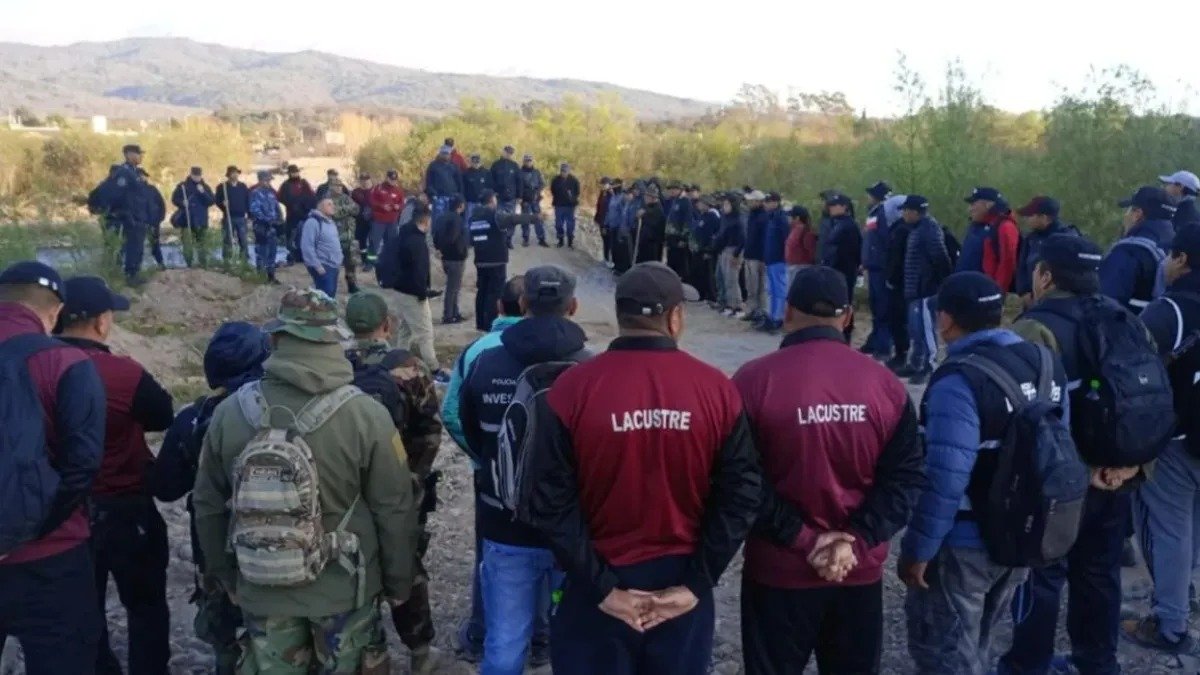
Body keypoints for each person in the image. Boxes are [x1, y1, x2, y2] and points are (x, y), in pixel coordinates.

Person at [523, 262, 760, 675]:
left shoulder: (571, 389)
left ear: (620, 316)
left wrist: (603, 590)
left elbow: (548, 501)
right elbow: (741, 495)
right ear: (674, 317)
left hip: (596, 583)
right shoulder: (717, 390)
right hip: (679, 587)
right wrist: (696, 585)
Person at [192, 288, 421, 674]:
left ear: (276, 339)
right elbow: (394, 508)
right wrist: (399, 584)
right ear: (334, 338)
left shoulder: (231, 412)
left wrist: (226, 577)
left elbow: (207, 505)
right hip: (345, 590)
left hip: (261, 587)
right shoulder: (366, 415)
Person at [735, 265, 922, 675]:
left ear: (787, 312)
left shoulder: (752, 382)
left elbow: (741, 484)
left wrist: (804, 541)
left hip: (778, 574)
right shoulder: (885, 385)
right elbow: (906, 480)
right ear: (847, 317)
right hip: (857, 571)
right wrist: (854, 542)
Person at [1000, 235, 1157, 675]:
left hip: (1058, 482)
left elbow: (1022, 410)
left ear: (1045, 275)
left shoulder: (1036, 327)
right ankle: (1097, 662)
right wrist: (1131, 465)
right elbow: (1151, 400)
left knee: (1043, 574)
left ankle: (1027, 664)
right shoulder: (1128, 319)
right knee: (1099, 573)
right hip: (1118, 475)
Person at [902, 271, 1069, 675]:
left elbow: (945, 476)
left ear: (945, 320)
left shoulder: (958, 380)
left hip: (965, 543)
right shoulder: (1046, 362)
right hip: (1025, 534)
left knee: (945, 652)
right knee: (982, 638)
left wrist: (918, 550)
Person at [457, 265, 589, 675]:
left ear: (523, 304)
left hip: (503, 524)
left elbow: (471, 431)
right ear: (573, 306)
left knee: (504, 643)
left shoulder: (486, 361)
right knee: (578, 645)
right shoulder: (591, 370)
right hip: (573, 533)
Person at [53, 276, 175, 675]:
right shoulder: (122, 373)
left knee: (80, 611)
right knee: (146, 608)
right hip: (126, 504)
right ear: (101, 323)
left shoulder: (35, 366)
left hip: (61, 514)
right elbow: (162, 414)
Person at [0, 262, 106, 675]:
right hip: (51, 557)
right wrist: (30, 531)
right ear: (55, 311)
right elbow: (83, 465)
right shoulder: (65, 362)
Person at [151, 321, 270, 675]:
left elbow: (166, 486)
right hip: (279, 540)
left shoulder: (195, 417)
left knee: (226, 637)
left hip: (215, 542)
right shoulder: (279, 408)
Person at [343, 293, 444, 674]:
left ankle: (362, 643)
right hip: (398, 486)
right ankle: (419, 649)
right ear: (387, 324)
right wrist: (412, 478)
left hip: (346, 487)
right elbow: (430, 429)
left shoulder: (336, 364)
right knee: (405, 563)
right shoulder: (407, 366)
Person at [441, 276, 533, 664]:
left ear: (499, 308)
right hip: (547, 482)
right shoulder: (558, 349)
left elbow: (450, 412)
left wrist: (482, 455)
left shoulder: (479, 350)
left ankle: (482, 630)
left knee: (492, 555)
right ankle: (542, 635)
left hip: (491, 480)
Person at [1123, 224, 1200, 654]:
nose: (1166, 263)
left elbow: (1126, 363)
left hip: (1175, 440)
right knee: (1191, 523)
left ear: (1183, 260)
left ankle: (1169, 625)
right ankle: (1181, 594)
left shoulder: (1170, 310)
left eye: (1171, 256)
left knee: (1164, 527)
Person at [381, 207, 446, 380]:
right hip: (412, 292)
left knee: (406, 328)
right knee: (425, 333)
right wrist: (423, 293)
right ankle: (434, 369)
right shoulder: (417, 242)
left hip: (399, 290)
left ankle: (398, 359)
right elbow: (419, 271)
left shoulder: (402, 235)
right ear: (424, 221)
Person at [896, 195, 952, 384]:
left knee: (927, 330)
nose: (903, 214)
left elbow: (940, 257)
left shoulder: (929, 229)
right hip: (914, 290)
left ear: (914, 212)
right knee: (916, 330)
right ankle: (916, 362)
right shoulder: (916, 229)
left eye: (905, 210)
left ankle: (930, 366)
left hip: (926, 289)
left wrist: (938, 283)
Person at [469, 189, 541, 331]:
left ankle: (480, 323)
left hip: (480, 259)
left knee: (482, 291)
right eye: (494, 199)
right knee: (494, 293)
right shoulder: (495, 215)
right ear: (491, 200)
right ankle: (490, 325)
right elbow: (513, 219)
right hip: (496, 260)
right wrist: (535, 218)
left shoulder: (473, 216)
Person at [1100, 185, 1177, 315]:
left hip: (1129, 330)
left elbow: (1105, 303)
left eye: (1129, 210)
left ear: (1137, 214)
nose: (1126, 216)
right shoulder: (1180, 248)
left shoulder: (1128, 252)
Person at [89, 145, 151, 285]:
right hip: (128, 217)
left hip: (137, 216)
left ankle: (133, 273)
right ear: (129, 155)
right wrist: (122, 212)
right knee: (128, 247)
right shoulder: (123, 173)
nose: (141, 156)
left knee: (136, 247)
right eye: (138, 154)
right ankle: (128, 275)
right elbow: (116, 195)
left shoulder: (134, 172)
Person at [1014, 196, 1079, 307]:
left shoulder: (1068, 238)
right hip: (1031, 299)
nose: (1027, 219)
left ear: (1044, 218)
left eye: (1031, 216)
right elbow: (1022, 267)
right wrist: (1024, 292)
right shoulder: (1031, 238)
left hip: (1058, 300)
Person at [957, 187, 1020, 294]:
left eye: (973, 204)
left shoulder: (1004, 227)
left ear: (988, 205)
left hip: (984, 293)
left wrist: (996, 292)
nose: (970, 209)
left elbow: (1007, 263)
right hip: (967, 291)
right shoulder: (975, 227)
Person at [821, 193, 863, 342]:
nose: (831, 208)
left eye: (834, 205)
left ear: (844, 207)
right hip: (835, 270)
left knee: (843, 305)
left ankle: (845, 335)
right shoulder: (837, 224)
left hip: (844, 271)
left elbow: (855, 251)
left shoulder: (849, 225)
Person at [862, 181, 896, 358]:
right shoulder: (873, 213)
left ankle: (884, 346)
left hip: (881, 268)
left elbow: (884, 241)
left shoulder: (884, 213)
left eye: (870, 195)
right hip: (873, 266)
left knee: (883, 308)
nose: (867, 198)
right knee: (875, 307)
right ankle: (875, 341)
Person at [885, 200, 916, 373]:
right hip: (902, 281)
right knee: (898, 319)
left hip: (901, 282)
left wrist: (892, 278)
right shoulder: (900, 228)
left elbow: (897, 258)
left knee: (899, 320)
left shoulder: (902, 230)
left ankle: (902, 355)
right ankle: (901, 353)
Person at [171, 167, 215, 268]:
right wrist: (182, 202)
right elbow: (174, 199)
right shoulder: (182, 186)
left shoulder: (205, 187)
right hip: (187, 220)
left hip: (201, 220)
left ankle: (203, 265)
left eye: (199, 175)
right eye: (195, 175)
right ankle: (189, 264)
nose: (197, 177)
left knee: (202, 244)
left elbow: (211, 201)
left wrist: (203, 192)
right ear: (191, 174)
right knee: (187, 244)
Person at [434, 196, 469, 324]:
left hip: (445, 257)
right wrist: (462, 250)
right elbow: (454, 237)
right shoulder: (457, 219)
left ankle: (455, 312)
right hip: (456, 257)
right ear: (460, 206)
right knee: (453, 288)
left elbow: (436, 235)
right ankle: (448, 315)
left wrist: (439, 249)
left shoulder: (441, 218)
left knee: (454, 286)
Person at [301, 197, 344, 297]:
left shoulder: (330, 222)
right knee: (324, 297)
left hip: (333, 266)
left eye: (333, 204)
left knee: (330, 296)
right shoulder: (312, 222)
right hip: (323, 265)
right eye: (329, 204)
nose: (333, 206)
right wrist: (317, 266)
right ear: (320, 206)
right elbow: (307, 246)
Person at [760, 192, 790, 334]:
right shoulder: (771, 218)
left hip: (778, 259)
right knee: (771, 290)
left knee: (780, 290)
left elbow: (785, 240)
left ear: (776, 202)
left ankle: (779, 318)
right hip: (770, 259)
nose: (765, 204)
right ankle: (772, 317)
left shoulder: (781, 219)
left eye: (768, 201)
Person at [327, 180, 362, 294]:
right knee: (333, 264)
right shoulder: (327, 199)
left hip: (349, 236)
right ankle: (330, 286)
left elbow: (356, 209)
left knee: (351, 263)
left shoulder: (346, 197)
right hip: (336, 237)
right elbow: (334, 213)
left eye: (340, 186)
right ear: (331, 187)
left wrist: (344, 209)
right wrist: (347, 209)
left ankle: (352, 285)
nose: (339, 188)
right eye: (336, 186)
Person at [277, 164, 316, 265]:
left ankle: (302, 256)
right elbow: (280, 197)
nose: (294, 174)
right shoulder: (285, 185)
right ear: (289, 173)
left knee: (304, 236)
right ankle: (292, 256)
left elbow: (312, 196)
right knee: (290, 237)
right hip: (291, 214)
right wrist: (291, 204)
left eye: (296, 172)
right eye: (292, 172)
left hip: (304, 214)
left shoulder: (304, 183)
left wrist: (305, 206)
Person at [715, 193, 746, 317]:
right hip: (724, 249)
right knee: (723, 278)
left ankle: (737, 307)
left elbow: (743, 239)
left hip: (734, 250)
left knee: (732, 279)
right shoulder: (725, 218)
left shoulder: (738, 219)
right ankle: (728, 304)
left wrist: (736, 254)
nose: (724, 206)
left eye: (727, 204)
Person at [249, 171, 283, 284]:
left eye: (269, 180)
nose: (268, 182)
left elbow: (277, 207)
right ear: (261, 180)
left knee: (272, 251)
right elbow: (255, 210)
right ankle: (261, 276)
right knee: (262, 251)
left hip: (272, 227)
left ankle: (271, 276)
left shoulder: (271, 193)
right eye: (267, 180)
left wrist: (279, 219)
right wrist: (266, 220)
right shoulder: (255, 193)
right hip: (261, 226)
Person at [367, 169, 406, 265]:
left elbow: (402, 203)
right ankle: (370, 262)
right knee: (374, 242)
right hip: (379, 221)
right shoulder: (378, 188)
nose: (393, 181)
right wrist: (381, 206)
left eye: (395, 180)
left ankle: (389, 260)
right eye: (391, 179)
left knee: (392, 242)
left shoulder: (398, 190)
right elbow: (371, 201)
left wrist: (398, 207)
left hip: (392, 221)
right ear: (387, 178)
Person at [742, 190, 769, 325]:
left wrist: (764, 257)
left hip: (759, 257)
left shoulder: (763, 217)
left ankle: (761, 312)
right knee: (751, 286)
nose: (749, 203)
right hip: (750, 255)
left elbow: (764, 239)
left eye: (752, 201)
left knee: (760, 287)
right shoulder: (751, 216)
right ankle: (752, 310)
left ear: (759, 201)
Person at [214, 165, 251, 263]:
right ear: (228, 175)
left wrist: (249, 215)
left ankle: (244, 260)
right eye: (233, 173)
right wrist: (223, 204)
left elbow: (247, 201)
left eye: (236, 173)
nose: (235, 175)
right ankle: (227, 260)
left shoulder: (243, 186)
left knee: (243, 240)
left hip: (241, 218)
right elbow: (217, 200)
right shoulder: (222, 187)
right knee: (228, 240)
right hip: (228, 217)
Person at [690, 193, 721, 302]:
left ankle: (711, 296)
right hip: (698, 249)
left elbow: (713, 235)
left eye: (701, 203)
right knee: (699, 273)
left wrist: (709, 249)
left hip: (706, 250)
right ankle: (701, 294)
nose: (698, 205)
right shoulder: (702, 215)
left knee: (708, 274)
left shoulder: (713, 217)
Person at [136, 168, 167, 271]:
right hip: (138, 222)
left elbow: (161, 204)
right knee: (137, 246)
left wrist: (160, 218)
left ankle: (161, 264)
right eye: (141, 175)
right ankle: (137, 268)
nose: (143, 177)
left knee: (155, 244)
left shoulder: (152, 189)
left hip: (153, 221)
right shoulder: (133, 190)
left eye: (144, 176)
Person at [664, 181, 694, 280]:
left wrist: (684, 238)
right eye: (671, 189)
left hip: (679, 237)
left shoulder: (685, 201)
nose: (672, 191)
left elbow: (687, 221)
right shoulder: (675, 200)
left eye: (674, 189)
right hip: (671, 236)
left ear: (679, 189)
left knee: (680, 264)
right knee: (671, 262)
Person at [426, 145, 465, 220]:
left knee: (453, 218)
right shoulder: (433, 166)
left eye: (447, 153)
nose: (446, 155)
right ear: (440, 154)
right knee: (439, 219)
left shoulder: (454, 166)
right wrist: (433, 194)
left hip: (453, 197)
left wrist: (460, 195)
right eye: (444, 153)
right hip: (439, 197)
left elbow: (459, 182)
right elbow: (429, 182)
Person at [547, 163, 579, 248]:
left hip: (570, 206)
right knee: (558, 224)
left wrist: (572, 198)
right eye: (562, 171)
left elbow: (577, 192)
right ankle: (560, 240)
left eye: (565, 171)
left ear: (568, 171)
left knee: (570, 225)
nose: (563, 173)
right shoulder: (556, 180)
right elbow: (552, 190)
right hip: (559, 205)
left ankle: (570, 242)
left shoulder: (574, 180)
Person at [785, 204, 817, 289]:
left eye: (790, 216)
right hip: (792, 266)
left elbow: (811, 251)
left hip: (802, 267)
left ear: (797, 218)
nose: (788, 218)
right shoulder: (794, 229)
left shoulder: (806, 232)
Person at [519, 154, 547, 247]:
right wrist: (521, 196)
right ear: (523, 161)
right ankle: (525, 239)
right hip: (525, 200)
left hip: (535, 200)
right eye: (526, 160)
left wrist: (537, 192)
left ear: (532, 161)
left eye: (530, 160)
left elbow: (542, 184)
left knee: (538, 219)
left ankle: (541, 239)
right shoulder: (519, 172)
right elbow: (517, 186)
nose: (528, 162)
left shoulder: (536, 172)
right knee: (525, 219)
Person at [607, 184, 634, 274]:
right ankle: (619, 268)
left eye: (628, 194)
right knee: (620, 251)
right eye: (625, 194)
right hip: (620, 230)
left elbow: (631, 221)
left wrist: (629, 230)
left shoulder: (632, 205)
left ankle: (625, 271)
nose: (626, 196)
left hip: (628, 232)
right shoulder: (626, 204)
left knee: (627, 254)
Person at [636, 186, 667, 264]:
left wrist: (644, 213)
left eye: (647, 196)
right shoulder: (647, 207)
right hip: (645, 242)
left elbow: (654, 225)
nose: (645, 198)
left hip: (653, 244)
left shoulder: (658, 209)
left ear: (653, 198)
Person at [491, 146, 523, 217]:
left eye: (510, 153)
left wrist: (519, 196)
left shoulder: (514, 165)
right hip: (498, 197)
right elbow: (491, 180)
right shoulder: (496, 165)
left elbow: (519, 181)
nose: (508, 154)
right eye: (507, 152)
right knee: (498, 219)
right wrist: (492, 193)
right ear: (503, 152)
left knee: (511, 219)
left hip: (511, 197)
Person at [351, 173, 374, 264]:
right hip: (360, 220)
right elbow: (352, 205)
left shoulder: (375, 191)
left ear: (370, 180)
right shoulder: (356, 192)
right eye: (362, 180)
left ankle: (372, 260)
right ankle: (364, 260)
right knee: (362, 241)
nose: (365, 182)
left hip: (373, 220)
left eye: (366, 179)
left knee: (372, 241)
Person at [595, 178, 615, 266]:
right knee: (604, 240)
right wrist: (597, 218)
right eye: (602, 184)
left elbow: (611, 210)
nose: (603, 185)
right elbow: (599, 206)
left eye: (604, 184)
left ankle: (610, 261)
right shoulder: (602, 193)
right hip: (602, 220)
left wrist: (606, 224)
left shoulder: (612, 195)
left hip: (609, 222)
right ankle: (605, 258)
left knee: (609, 241)